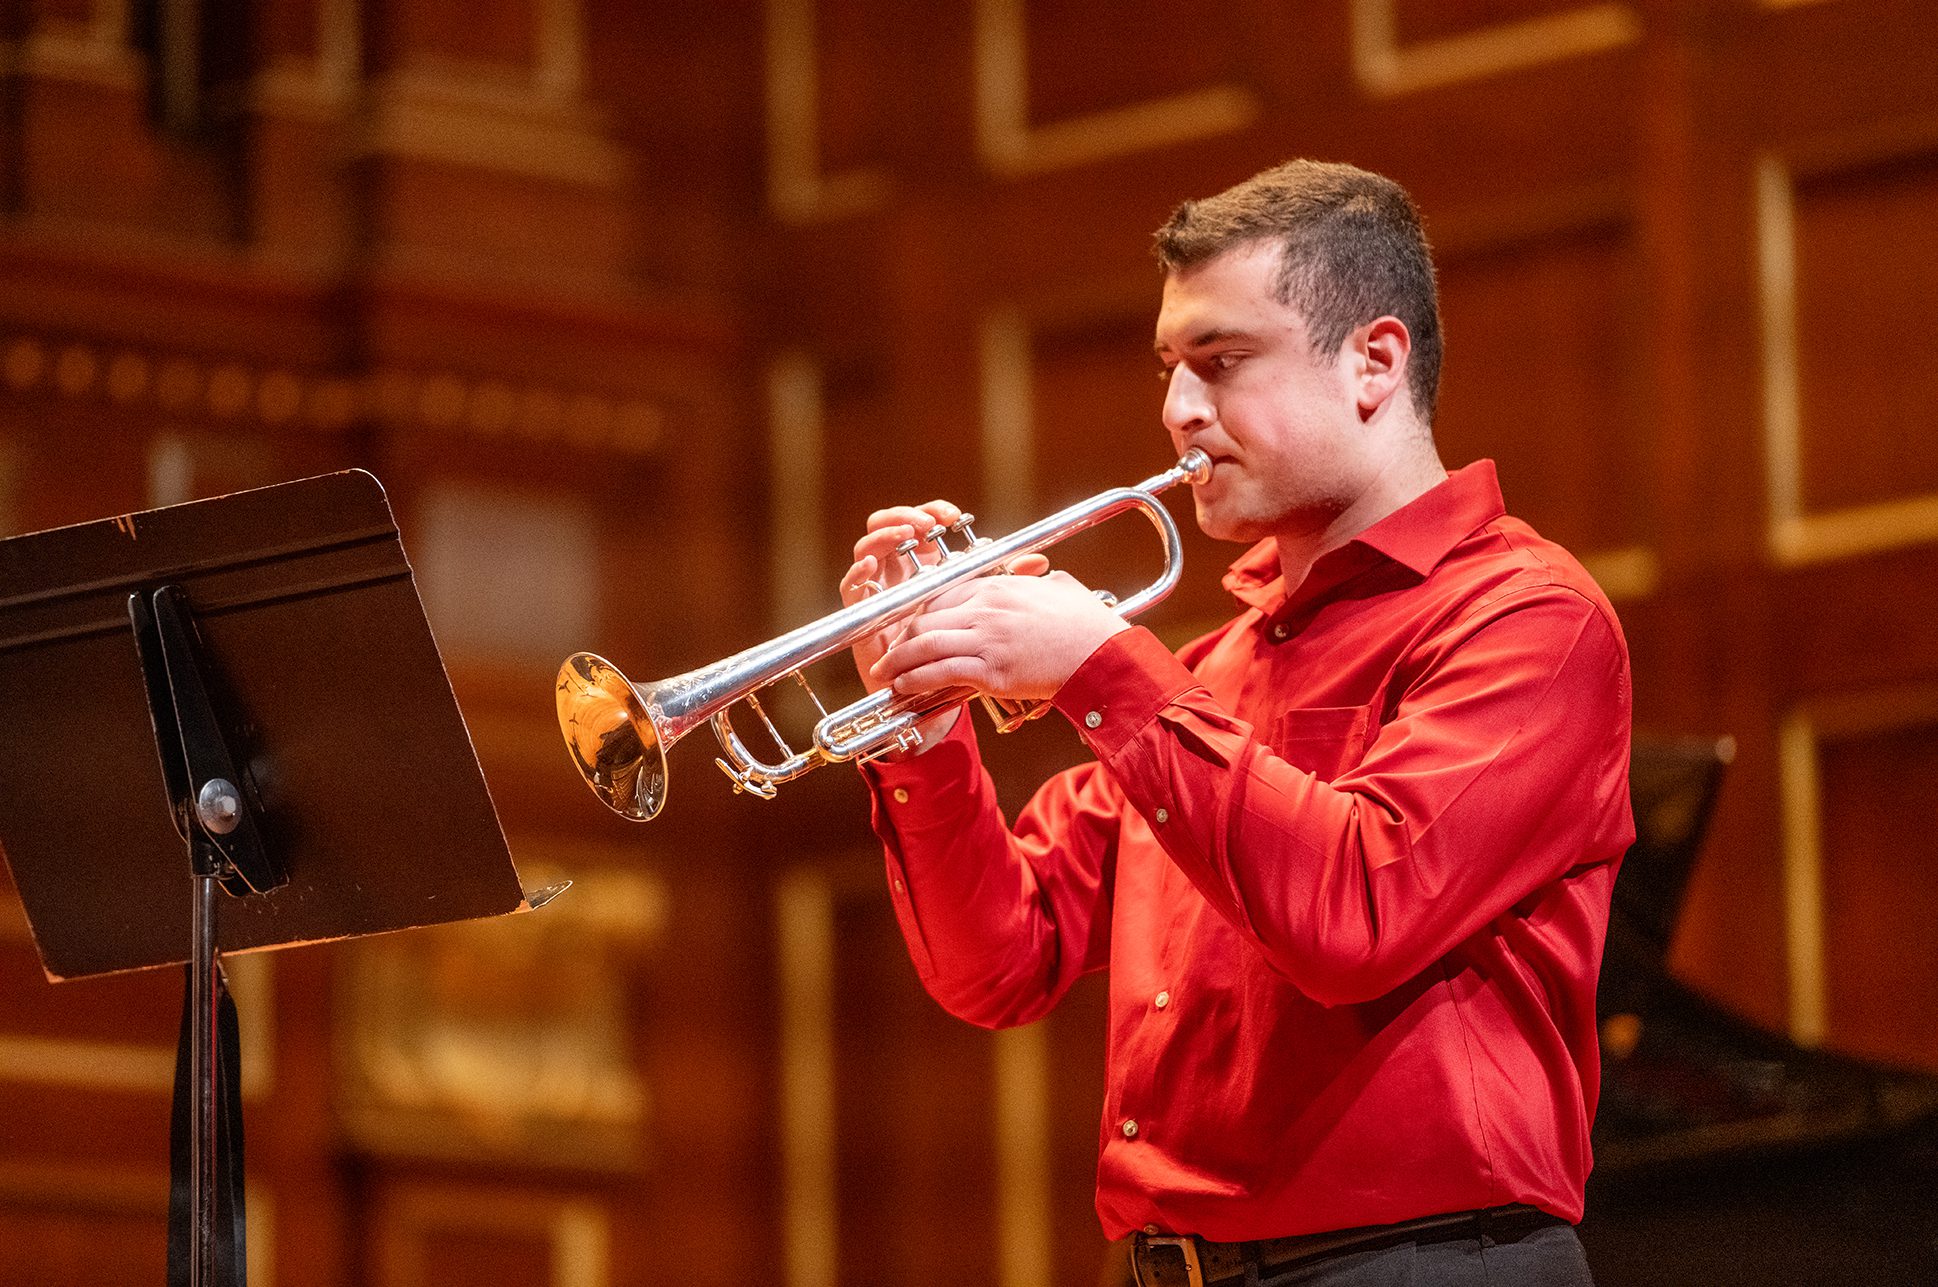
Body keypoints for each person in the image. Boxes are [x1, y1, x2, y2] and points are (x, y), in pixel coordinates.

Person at [838, 159, 1632, 1286]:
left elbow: (1357, 912)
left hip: (1417, 1265)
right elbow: (1002, 964)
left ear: (1374, 362)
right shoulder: (1211, 669)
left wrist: (1102, 672)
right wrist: (920, 725)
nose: (1178, 414)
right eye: (1170, 368)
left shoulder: (1529, 619)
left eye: (1222, 363)